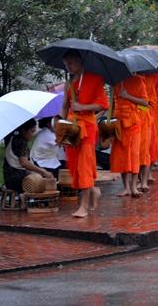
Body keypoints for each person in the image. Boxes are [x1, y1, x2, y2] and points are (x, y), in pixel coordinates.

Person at [61, 49, 109, 218]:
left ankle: (83, 205)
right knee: (74, 167)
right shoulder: (69, 83)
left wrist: (83, 107)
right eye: (66, 65)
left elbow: (104, 105)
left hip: (87, 127)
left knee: (85, 165)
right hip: (71, 128)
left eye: (72, 63)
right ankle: (93, 190)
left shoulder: (94, 80)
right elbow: (64, 107)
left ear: (80, 62)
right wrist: (60, 128)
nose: (69, 67)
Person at [110, 75, 148, 197]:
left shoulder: (138, 81)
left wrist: (127, 96)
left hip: (133, 122)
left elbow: (145, 102)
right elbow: (112, 104)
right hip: (119, 122)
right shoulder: (115, 82)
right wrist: (110, 121)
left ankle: (133, 187)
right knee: (121, 155)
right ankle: (126, 187)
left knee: (134, 154)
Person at [4, 118, 53, 193]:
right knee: (40, 183)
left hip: (9, 178)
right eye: (31, 131)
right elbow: (24, 163)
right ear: (23, 131)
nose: (33, 134)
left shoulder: (14, 138)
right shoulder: (20, 142)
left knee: (40, 176)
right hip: (16, 179)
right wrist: (42, 171)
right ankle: (35, 203)